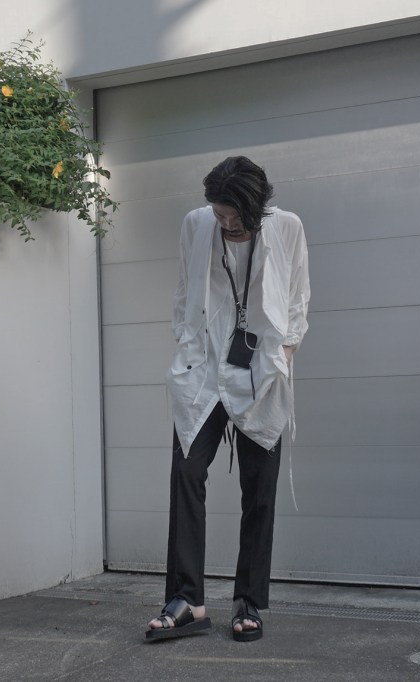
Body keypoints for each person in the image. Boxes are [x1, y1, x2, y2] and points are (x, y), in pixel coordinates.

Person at [145, 156, 310, 643]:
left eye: (235, 217)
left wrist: (282, 356)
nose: (226, 224)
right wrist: (185, 343)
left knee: (259, 489)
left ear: (257, 209)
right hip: (205, 369)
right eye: (219, 214)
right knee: (186, 474)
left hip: (258, 373)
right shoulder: (196, 225)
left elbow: (297, 298)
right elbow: (184, 290)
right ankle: (187, 601)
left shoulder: (287, 227)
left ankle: (248, 601)